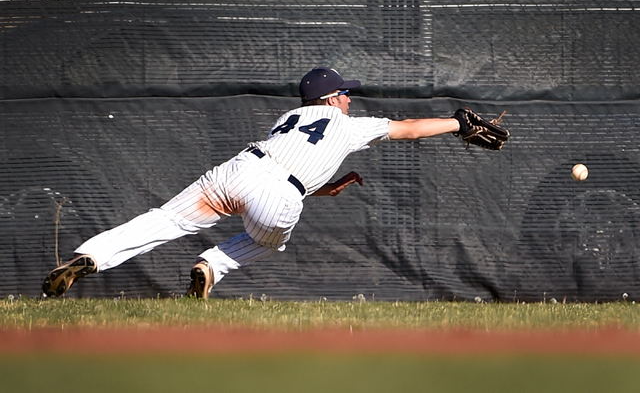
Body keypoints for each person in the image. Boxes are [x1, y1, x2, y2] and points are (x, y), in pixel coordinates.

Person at [42, 67, 462, 299]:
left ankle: (91, 256)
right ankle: (211, 266)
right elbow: (408, 128)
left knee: (166, 218)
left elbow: (291, 161)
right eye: (344, 93)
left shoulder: (288, 119)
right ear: (331, 99)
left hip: (239, 168)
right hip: (279, 193)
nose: (350, 98)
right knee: (267, 242)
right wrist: (456, 123)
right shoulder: (347, 125)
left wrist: (321, 187)